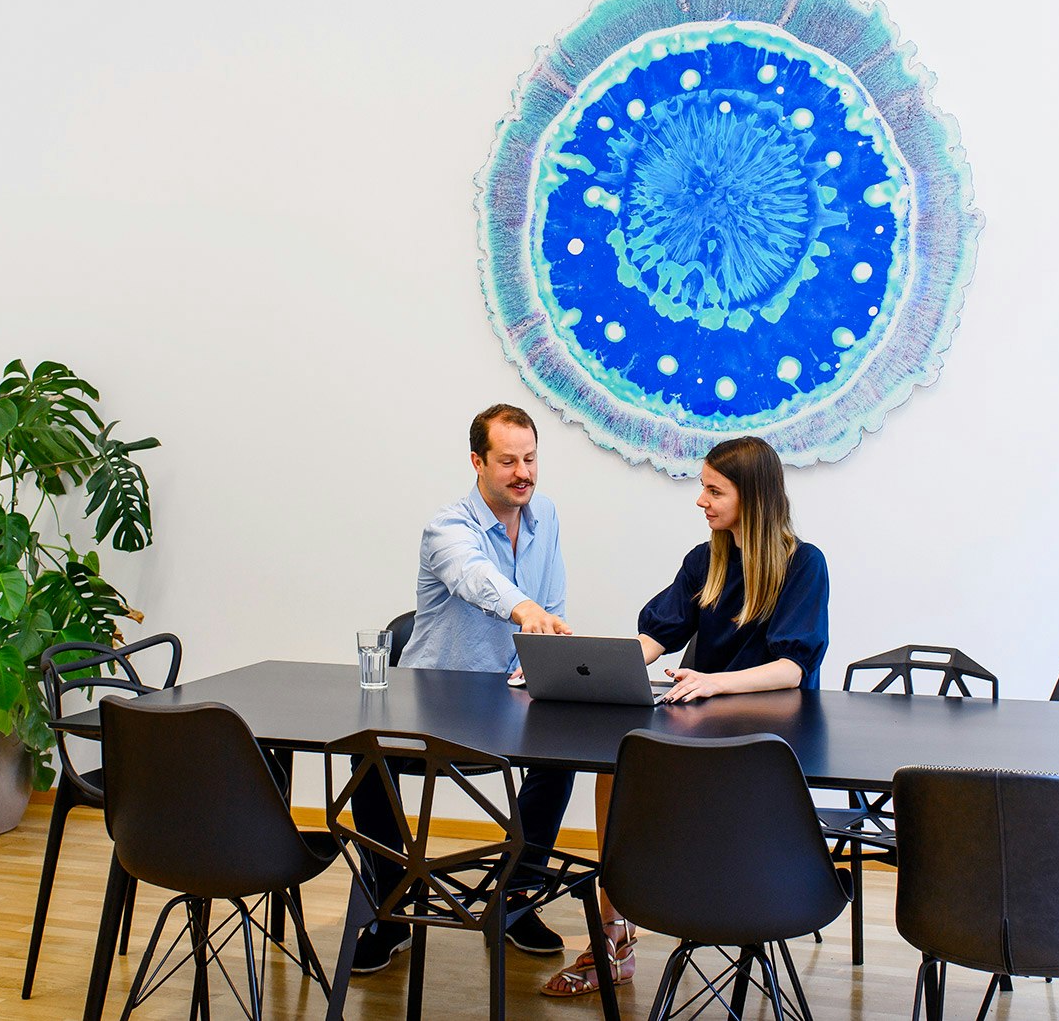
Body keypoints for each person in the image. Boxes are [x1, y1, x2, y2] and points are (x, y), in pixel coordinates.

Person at [541, 434, 829, 998]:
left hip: (772, 736)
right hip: (704, 714)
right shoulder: (706, 561)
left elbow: (793, 668)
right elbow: (658, 635)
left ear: (752, 496)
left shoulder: (804, 565)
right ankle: (613, 936)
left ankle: (719, 906)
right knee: (614, 765)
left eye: (714, 490)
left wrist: (713, 683)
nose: (701, 500)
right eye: (703, 487)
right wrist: (590, 668)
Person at [349, 403, 579, 974]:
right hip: (436, 699)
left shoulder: (545, 514)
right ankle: (392, 907)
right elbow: (476, 578)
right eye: (508, 461)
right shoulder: (446, 527)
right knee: (363, 756)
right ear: (477, 462)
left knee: (565, 756)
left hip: (513, 697)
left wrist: (549, 640)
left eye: (530, 459)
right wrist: (524, 608)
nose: (523, 472)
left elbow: (549, 602)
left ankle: (514, 897)